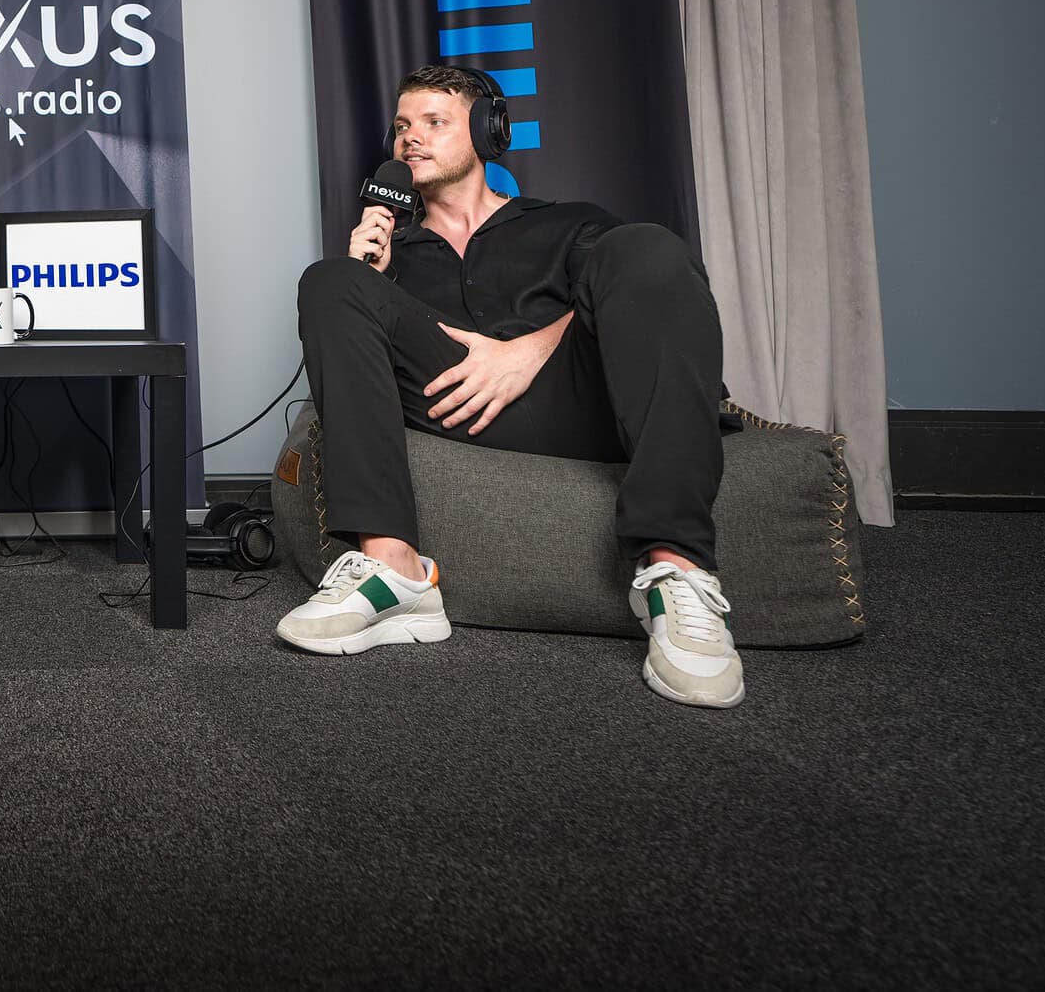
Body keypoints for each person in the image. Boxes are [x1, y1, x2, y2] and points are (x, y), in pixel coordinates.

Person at [276, 64, 743, 709]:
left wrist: (527, 351)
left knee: (646, 247)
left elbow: (635, 302)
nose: (411, 137)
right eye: (403, 126)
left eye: (434, 122)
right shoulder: (395, 254)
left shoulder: (567, 224)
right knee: (331, 279)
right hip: (454, 406)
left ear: (488, 132)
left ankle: (676, 572)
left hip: (583, 405)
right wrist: (369, 275)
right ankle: (394, 570)